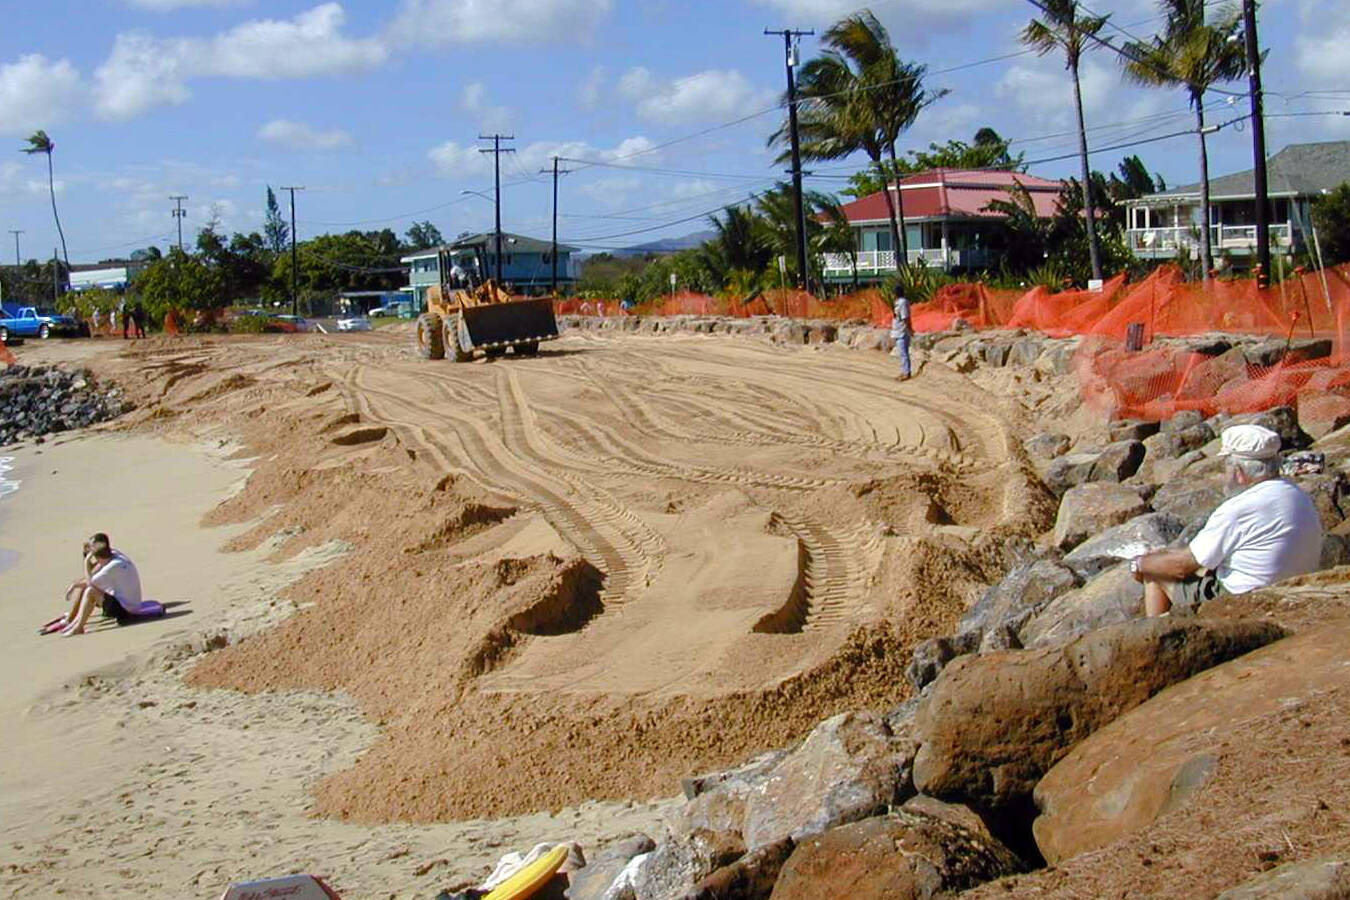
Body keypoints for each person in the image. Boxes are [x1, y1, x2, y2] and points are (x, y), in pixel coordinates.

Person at [1130, 424, 1323, 616]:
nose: (1224, 474)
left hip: (1244, 599)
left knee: (1155, 572)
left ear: (1239, 472)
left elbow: (1182, 567)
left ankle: (1158, 632)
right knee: (1182, 562)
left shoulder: (1238, 509)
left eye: (1226, 466)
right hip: (1292, 587)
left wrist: (1139, 564)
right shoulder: (1297, 495)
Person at [56, 533, 147, 636]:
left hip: (127, 611)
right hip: (129, 604)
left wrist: (86, 562)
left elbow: (90, 583)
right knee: (88, 589)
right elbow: (94, 573)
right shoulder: (115, 555)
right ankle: (72, 619)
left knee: (90, 591)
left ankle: (78, 627)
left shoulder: (112, 567)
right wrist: (76, 584)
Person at [890, 288, 912, 381]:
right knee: (902, 353)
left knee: (903, 353)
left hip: (902, 331)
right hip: (898, 331)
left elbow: (905, 317)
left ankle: (906, 372)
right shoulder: (898, 302)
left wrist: (910, 329)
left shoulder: (902, 303)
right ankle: (904, 371)